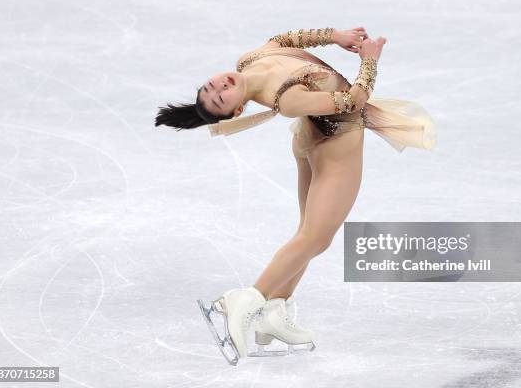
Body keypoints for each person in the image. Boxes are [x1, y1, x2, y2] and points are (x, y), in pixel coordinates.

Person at [155, 27, 436, 365]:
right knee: (316, 238)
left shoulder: (249, 60)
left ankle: (274, 312)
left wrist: (335, 36)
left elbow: (288, 41)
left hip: (311, 140)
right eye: (220, 99)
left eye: (212, 85)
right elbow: (353, 101)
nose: (221, 86)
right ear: (239, 110)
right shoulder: (287, 101)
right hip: (335, 151)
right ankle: (245, 299)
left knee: (308, 233)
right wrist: (369, 62)